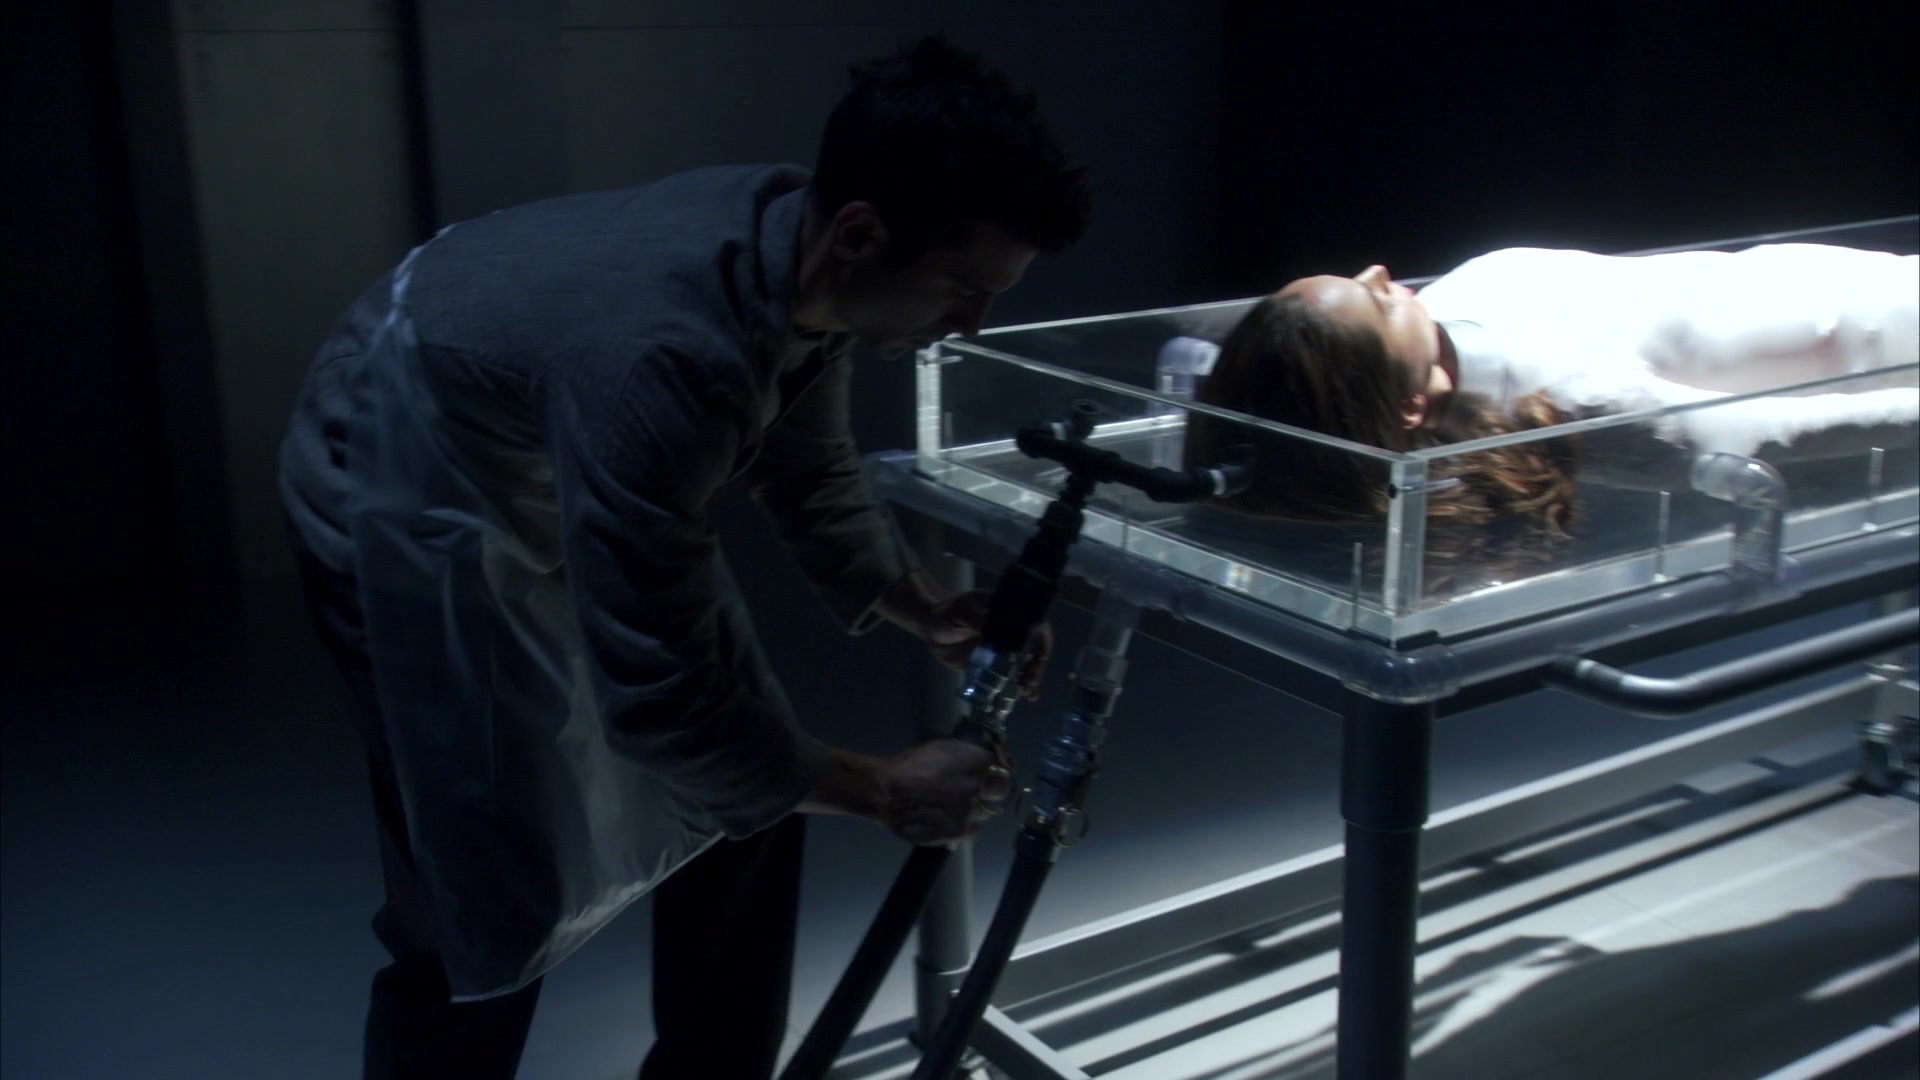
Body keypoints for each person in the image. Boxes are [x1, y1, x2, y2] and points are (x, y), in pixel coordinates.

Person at [279, 36, 1087, 1080]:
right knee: (479, 885)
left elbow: (804, 454)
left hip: (540, 429)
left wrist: (918, 603)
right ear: (860, 234)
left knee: (744, 800)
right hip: (400, 463)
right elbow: (661, 694)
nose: (969, 323)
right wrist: (881, 789)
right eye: (962, 290)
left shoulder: (797, 240)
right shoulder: (666, 357)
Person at [1183, 243, 1918, 545]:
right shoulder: (1573, 404)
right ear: (1407, 404)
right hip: (1887, 335)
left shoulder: (1463, 297)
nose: (1379, 272)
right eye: (1375, 302)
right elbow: (1784, 434)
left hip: (1860, 283)